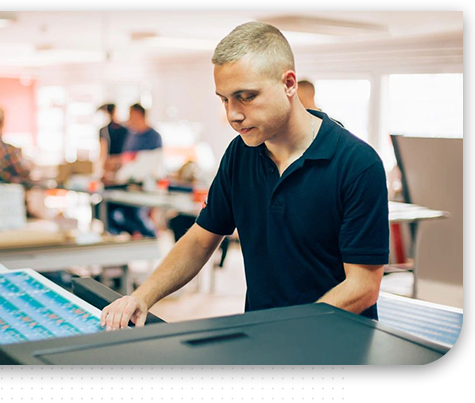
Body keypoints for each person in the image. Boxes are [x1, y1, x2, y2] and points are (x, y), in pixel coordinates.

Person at [101, 21, 388, 330]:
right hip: (262, 339)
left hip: (335, 344)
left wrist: (286, 331)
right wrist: (142, 296)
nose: (232, 114)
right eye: (224, 99)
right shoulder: (240, 153)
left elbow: (363, 287)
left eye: (246, 97)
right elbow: (200, 239)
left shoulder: (357, 164)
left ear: (289, 84)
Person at [106, 103, 163, 238]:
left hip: (143, 186)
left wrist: (120, 160)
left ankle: (151, 237)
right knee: (109, 212)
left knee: (134, 215)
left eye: (131, 116)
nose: (129, 119)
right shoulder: (132, 135)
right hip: (126, 184)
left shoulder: (153, 137)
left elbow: (145, 162)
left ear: (139, 115)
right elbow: (127, 160)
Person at [98, 103, 129, 180]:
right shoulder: (124, 129)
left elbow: (103, 151)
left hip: (119, 163)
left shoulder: (124, 130)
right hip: (117, 163)